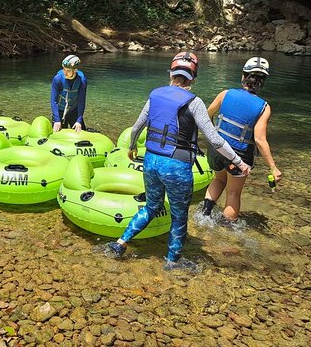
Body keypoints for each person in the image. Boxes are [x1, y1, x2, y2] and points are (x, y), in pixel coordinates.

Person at [105, 52, 251, 270]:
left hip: (151, 162)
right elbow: (214, 139)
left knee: (151, 207)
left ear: (171, 73)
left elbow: (136, 127)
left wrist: (132, 147)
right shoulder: (195, 102)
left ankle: (120, 244)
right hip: (176, 167)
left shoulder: (154, 95)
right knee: (179, 216)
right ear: (193, 78)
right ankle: (172, 261)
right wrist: (239, 162)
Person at [201, 57, 282, 221]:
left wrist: (213, 136)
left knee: (218, 179)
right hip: (239, 156)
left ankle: (204, 215)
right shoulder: (264, 107)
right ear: (262, 82)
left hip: (216, 149)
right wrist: (273, 167)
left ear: (243, 76)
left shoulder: (225, 94)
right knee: (233, 192)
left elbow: (207, 114)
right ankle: (228, 230)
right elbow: (260, 140)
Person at [51, 55, 87, 133]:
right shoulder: (57, 79)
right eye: (64, 69)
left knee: (82, 135)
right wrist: (57, 119)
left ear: (75, 70)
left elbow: (81, 101)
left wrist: (79, 120)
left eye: (68, 70)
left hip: (74, 111)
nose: (65, 73)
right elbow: (54, 101)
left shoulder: (82, 80)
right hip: (59, 111)